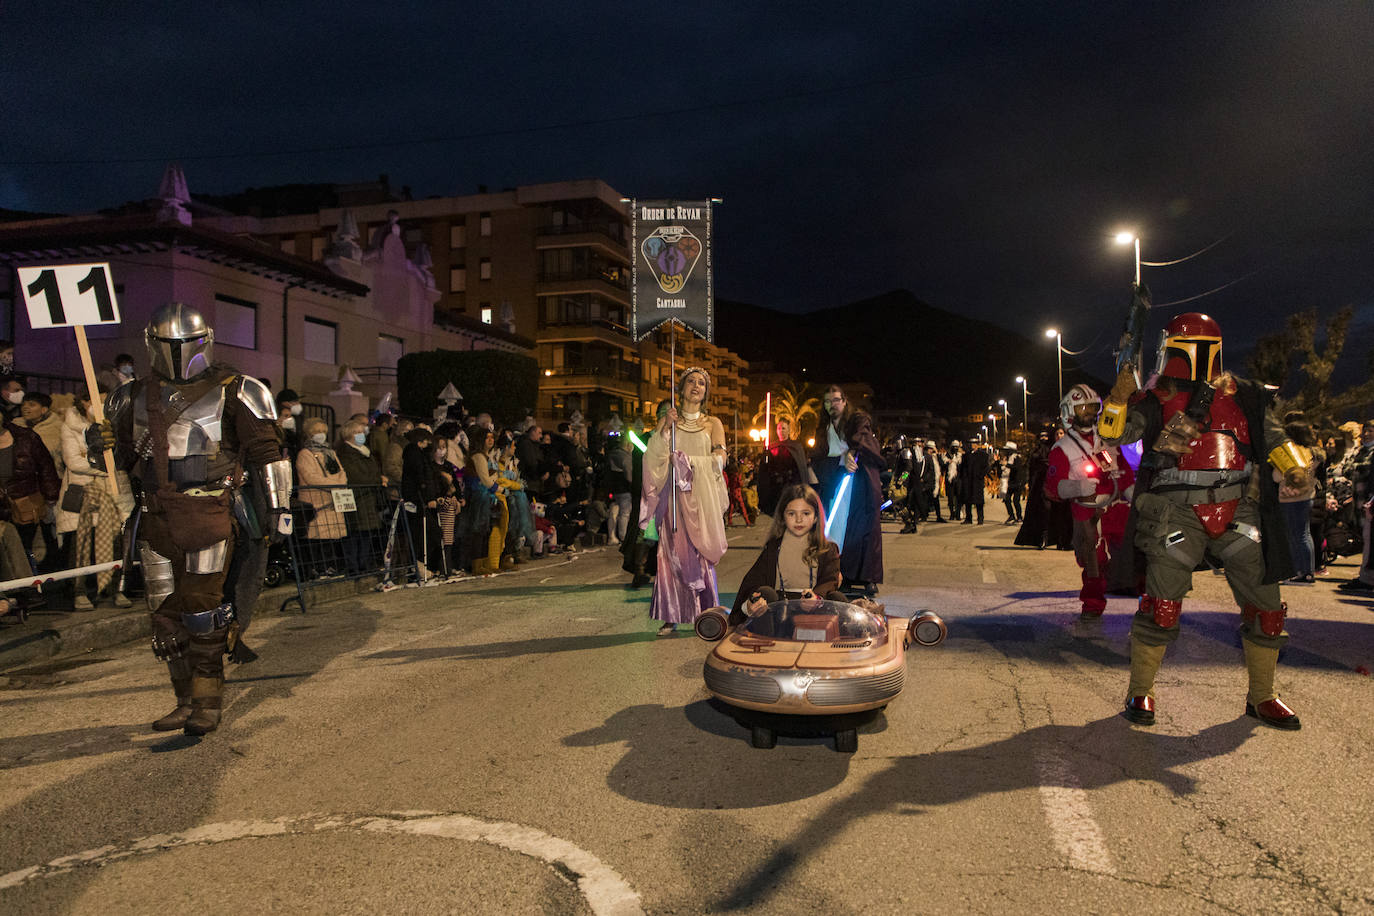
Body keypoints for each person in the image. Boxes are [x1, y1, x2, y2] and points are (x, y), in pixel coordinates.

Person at [1098, 312, 1309, 730]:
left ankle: (1263, 696)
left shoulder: (1245, 394)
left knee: (1266, 608)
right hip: (1176, 512)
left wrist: (1295, 466)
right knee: (1162, 607)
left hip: (1239, 509)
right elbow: (1115, 435)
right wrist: (1119, 399)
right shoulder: (1156, 398)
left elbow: (1274, 437)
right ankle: (1141, 691)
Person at [101, 302, 291, 736]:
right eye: (167, 344)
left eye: (183, 342)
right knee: (164, 613)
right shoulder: (129, 395)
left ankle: (207, 703)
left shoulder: (238, 389)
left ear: (202, 342)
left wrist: (280, 508)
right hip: (155, 517)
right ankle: (184, 700)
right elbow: (122, 462)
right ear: (152, 345)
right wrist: (102, 443)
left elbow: (267, 453)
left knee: (203, 610)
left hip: (208, 511)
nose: (176, 350)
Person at [643, 368, 728, 635]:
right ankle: (671, 613)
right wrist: (664, 427)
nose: (696, 385)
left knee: (699, 554)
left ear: (706, 391)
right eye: (690, 381)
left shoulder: (713, 423)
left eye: (701, 382)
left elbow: (720, 460)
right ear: (680, 388)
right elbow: (652, 455)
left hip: (700, 497)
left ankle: (706, 611)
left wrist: (689, 463)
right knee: (671, 554)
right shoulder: (671, 420)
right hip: (673, 497)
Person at [1045, 385, 1134, 617]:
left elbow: (1123, 470)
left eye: (1092, 408)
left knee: (1138, 550)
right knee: (1093, 560)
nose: (1088, 413)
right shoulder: (1061, 448)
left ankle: (1149, 599)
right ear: (1071, 412)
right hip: (1088, 511)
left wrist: (1133, 492)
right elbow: (1053, 488)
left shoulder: (1109, 438)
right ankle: (1093, 604)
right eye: (1083, 408)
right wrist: (1075, 487)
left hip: (1117, 506)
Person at [59, 386, 135, 609]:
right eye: (95, 400)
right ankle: (79, 590)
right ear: (83, 402)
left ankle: (114, 589)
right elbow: (74, 461)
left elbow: (123, 456)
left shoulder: (117, 426)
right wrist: (106, 468)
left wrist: (113, 465)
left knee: (115, 542)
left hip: (115, 493)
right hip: (85, 493)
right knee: (81, 543)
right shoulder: (71, 427)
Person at [808, 385, 883, 593]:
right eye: (827, 401)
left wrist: (852, 452)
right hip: (835, 480)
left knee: (865, 529)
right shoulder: (824, 427)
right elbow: (819, 454)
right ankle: (845, 576)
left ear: (844, 401)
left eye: (836, 400)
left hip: (860, 482)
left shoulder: (857, 419)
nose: (832, 405)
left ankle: (868, 578)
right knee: (838, 531)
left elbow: (863, 438)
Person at [730, 483, 841, 623]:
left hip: (814, 611)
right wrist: (752, 603)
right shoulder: (773, 547)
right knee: (764, 593)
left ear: (816, 517)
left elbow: (829, 581)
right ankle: (766, 642)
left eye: (806, 513)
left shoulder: (828, 549)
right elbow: (753, 581)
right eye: (791, 513)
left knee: (837, 599)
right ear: (783, 517)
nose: (798, 519)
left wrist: (816, 598)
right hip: (778, 611)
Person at [0, 407, 61, 561]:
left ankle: (29, 582)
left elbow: (46, 466)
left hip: (26, 504)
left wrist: (51, 498)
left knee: (25, 550)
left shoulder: (26, 437)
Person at [18, 392, 65, 571]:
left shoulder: (57, 429)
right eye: (24, 404)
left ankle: (53, 573)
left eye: (32, 404)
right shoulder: (16, 428)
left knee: (50, 532)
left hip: (49, 489)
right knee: (28, 534)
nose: (26, 408)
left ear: (44, 409)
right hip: (26, 491)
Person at [336, 417, 385, 578]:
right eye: (357, 432)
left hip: (368, 498)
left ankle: (363, 564)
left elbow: (374, 470)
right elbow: (355, 475)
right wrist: (377, 480)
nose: (361, 434)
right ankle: (353, 566)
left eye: (361, 431)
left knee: (366, 534)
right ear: (349, 434)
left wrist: (377, 478)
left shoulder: (365, 451)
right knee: (354, 534)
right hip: (355, 497)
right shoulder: (345, 453)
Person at [1275, 419, 1322, 584]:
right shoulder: (1311, 453)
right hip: (1306, 497)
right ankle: (1307, 571)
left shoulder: (1291, 453)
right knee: (1304, 534)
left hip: (1290, 498)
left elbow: (1277, 476)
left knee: (1296, 536)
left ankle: (1300, 571)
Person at [1335, 419, 1374, 592]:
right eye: (1364, 430)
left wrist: (1356, 468)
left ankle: (1367, 579)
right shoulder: (1360, 450)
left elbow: (1360, 469)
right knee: (1366, 539)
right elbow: (1346, 469)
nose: (1366, 434)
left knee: (1369, 540)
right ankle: (1366, 576)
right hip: (1359, 502)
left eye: (1371, 431)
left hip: (1370, 501)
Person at [757, 417, 811, 516]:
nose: (781, 431)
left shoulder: (796, 446)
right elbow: (767, 467)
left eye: (783, 428)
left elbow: (801, 468)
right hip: (777, 487)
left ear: (789, 430)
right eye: (779, 428)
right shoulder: (772, 447)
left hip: (792, 485)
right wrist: (765, 456)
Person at [1000, 442, 1026, 525]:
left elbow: (1016, 468)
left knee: (1016, 500)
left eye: (1007, 450)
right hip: (1010, 482)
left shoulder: (1017, 458)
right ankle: (1011, 515)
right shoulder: (1008, 458)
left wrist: (1006, 464)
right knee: (1006, 499)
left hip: (1017, 482)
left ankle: (1019, 517)